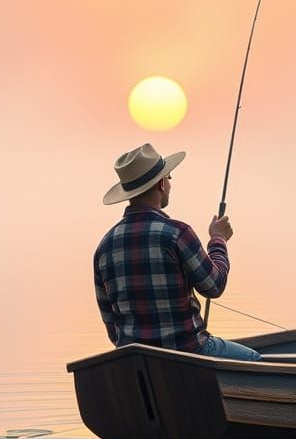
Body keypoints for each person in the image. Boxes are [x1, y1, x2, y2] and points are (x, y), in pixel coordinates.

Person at [94, 143, 262, 360]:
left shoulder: (104, 248)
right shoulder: (177, 233)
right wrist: (218, 239)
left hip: (136, 362)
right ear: (161, 184)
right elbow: (214, 285)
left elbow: (112, 327)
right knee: (254, 360)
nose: (170, 184)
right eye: (169, 178)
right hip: (189, 353)